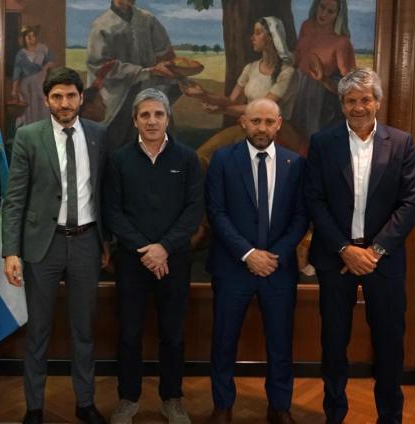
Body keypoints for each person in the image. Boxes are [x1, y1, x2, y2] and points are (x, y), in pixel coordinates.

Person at [305, 68, 415, 424]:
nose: (359, 107)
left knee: (389, 342)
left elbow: (411, 204)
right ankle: (334, 414)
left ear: (378, 102)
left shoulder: (401, 143)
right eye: (351, 100)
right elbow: (314, 200)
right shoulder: (322, 143)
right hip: (335, 258)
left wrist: (374, 252)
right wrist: (345, 248)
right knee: (333, 341)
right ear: (342, 104)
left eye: (365, 99)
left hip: (382, 261)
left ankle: (390, 416)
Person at [1, 67, 109, 424]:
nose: (65, 103)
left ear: (81, 97)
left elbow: (106, 191)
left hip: (86, 243)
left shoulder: (99, 135)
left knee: (84, 330)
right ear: (47, 100)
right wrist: (11, 251)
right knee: (38, 332)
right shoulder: (29, 136)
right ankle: (34, 407)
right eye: (57, 97)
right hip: (41, 247)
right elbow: (15, 199)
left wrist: (106, 240)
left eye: (71, 96)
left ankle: (85, 403)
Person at [204, 98, 307, 424]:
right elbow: (216, 213)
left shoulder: (295, 163)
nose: (262, 128)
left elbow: (301, 217)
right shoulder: (223, 159)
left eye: (269, 121)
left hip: (278, 268)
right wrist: (248, 254)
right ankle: (223, 406)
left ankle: (279, 407)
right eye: (256, 121)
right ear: (243, 123)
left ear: (279, 124)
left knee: (280, 343)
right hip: (233, 266)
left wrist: (275, 256)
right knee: (224, 341)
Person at [103, 88, 203, 424]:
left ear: (167, 118)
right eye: (144, 115)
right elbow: (113, 212)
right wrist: (145, 249)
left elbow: (193, 211)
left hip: (174, 261)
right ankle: (128, 399)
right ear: (135, 120)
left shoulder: (187, 159)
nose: (152, 121)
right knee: (129, 333)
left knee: (173, 334)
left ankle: (172, 399)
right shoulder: (119, 159)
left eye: (158, 114)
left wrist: (163, 248)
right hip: (132, 262)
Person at [183, 16, 305, 165]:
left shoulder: (287, 73)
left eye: (258, 33)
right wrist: (203, 95)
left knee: (223, 159)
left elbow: (261, 110)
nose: (252, 37)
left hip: (276, 133)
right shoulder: (251, 68)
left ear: (272, 37)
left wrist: (222, 110)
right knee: (202, 155)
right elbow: (231, 100)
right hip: (248, 127)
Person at [86, 0, 180, 153]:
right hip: (119, 99)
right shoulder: (101, 26)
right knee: (117, 149)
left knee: (162, 146)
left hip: (149, 92)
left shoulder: (148, 19)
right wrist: (145, 71)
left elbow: (166, 54)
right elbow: (100, 65)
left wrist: (170, 68)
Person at [290, 0, 356, 139]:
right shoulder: (307, 26)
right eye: (322, 7)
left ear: (338, 15)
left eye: (330, 11)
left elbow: (349, 86)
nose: (323, 13)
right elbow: (298, 55)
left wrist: (323, 79)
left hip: (320, 100)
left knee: (312, 140)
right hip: (296, 89)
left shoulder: (341, 42)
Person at [11, 25, 53, 127]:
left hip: (40, 82)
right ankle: (31, 130)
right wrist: (14, 89)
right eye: (28, 37)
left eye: (33, 36)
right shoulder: (21, 54)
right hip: (26, 85)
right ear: (24, 39)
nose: (31, 39)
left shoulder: (43, 48)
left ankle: (43, 129)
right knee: (30, 108)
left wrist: (45, 68)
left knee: (43, 106)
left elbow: (51, 61)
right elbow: (17, 72)